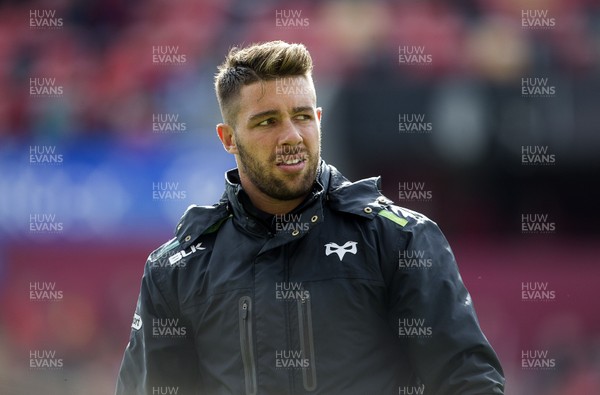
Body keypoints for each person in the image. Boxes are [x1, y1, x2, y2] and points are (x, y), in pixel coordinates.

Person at [115, 40, 505, 395]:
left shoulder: (399, 240)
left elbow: (469, 382)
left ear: (320, 118)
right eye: (267, 121)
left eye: (302, 116)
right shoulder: (177, 269)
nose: (291, 136)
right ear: (228, 138)